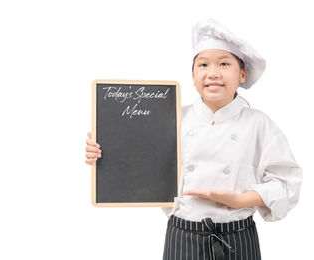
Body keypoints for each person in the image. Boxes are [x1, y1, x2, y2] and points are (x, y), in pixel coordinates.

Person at [85, 18, 302, 260]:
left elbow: (286, 184)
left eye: (223, 63)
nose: (213, 73)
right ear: (192, 75)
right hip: (182, 235)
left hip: (237, 236)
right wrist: (105, 153)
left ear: (242, 74)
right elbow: (139, 159)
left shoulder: (259, 123)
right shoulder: (171, 117)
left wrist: (240, 199)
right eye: (203, 65)